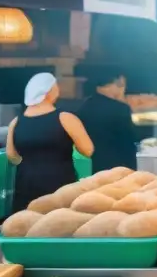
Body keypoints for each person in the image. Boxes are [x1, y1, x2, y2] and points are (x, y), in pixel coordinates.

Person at [7, 73, 94, 212]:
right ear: (49, 91)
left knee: (24, 227)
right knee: (57, 227)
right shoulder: (65, 118)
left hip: (26, 184)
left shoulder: (16, 122)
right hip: (59, 184)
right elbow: (88, 150)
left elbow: (11, 155)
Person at [78, 67, 137, 173]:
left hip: (91, 168)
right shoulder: (120, 108)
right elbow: (128, 144)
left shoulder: (83, 107)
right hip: (118, 169)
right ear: (119, 82)